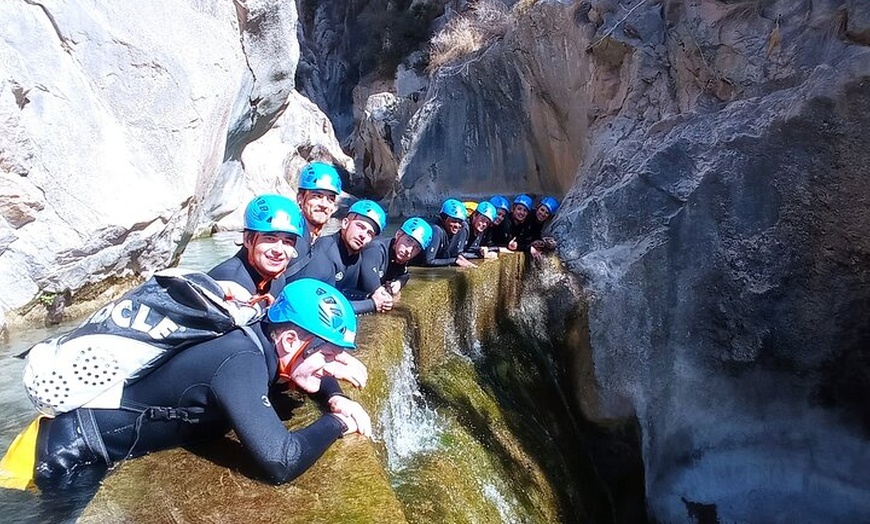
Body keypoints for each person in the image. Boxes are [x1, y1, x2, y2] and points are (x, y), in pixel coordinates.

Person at [31, 278, 371, 492]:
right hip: (68, 456)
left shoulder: (257, 334)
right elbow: (281, 462)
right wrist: (337, 423)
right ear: (290, 339)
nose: (332, 366)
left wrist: (336, 397)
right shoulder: (241, 361)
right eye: (328, 355)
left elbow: (306, 372)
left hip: (74, 436)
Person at [296, 200, 393, 314]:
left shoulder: (356, 257)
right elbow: (317, 306)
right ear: (345, 223)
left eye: (369, 233)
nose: (363, 235)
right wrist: (372, 304)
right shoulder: (325, 251)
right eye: (360, 226)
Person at [208, 194, 304, 303]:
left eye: (287, 242)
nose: (278, 250)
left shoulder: (276, 279)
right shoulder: (228, 281)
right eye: (270, 239)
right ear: (248, 240)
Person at [285, 162, 343, 279]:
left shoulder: (325, 245)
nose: (324, 204)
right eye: (317, 196)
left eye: (330, 199)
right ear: (300, 198)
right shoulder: (286, 233)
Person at [359, 217, 433, 297]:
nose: (409, 250)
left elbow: (405, 275)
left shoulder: (399, 257)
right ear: (398, 235)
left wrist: (399, 283)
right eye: (409, 241)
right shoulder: (376, 250)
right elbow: (371, 286)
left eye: (416, 247)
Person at [410, 198, 475, 268]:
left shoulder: (461, 228)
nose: (457, 225)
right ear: (444, 219)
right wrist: (455, 260)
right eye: (453, 221)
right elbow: (429, 261)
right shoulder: (436, 230)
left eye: (459, 222)